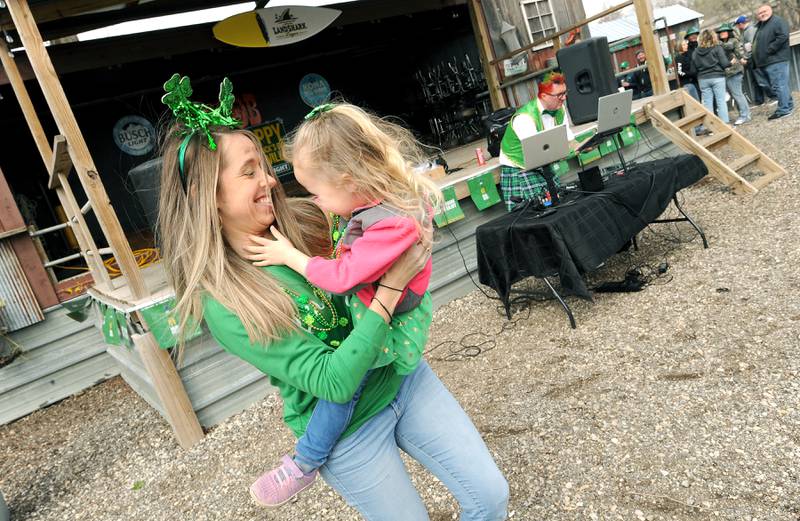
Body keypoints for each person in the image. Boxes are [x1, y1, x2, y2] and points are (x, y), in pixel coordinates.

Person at [157, 76, 509, 519]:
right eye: (249, 171)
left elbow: (379, 206)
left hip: (403, 377)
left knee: (490, 496)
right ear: (206, 196)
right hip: (348, 431)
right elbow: (334, 382)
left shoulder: (308, 220)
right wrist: (393, 289)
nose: (269, 179)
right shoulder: (227, 302)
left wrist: (412, 222)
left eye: (263, 165)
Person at [242, 102, 440, 505]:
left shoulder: (391, 223)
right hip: (379, 306)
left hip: (390, 321)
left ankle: (304, 462)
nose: (314, 200)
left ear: (349, 181)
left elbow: (343, 278)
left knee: (345, 387)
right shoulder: (376, 203)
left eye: (317, 192)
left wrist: (291, 258)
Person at [499, 70, 573, 211]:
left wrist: (585, 145)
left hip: (542, 165)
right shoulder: (525, 118)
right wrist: (569, 151)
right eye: (559, 95)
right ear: (544, 96)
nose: (564, 98)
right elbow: (538, 154)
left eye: (565, 92)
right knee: (531, 214)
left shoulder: (560, 109)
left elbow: (568, 140)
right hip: (520, 171)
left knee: (558, 207)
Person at [753, 4, 794, 119]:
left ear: (770, 10)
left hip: (777, 59)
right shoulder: (762, 25)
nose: (762, 14)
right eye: (759, 13)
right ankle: (788, 105)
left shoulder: (777, 21)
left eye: (764, 11)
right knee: (780, 85)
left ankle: (784, 110)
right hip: (769, 61)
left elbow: (783, 36)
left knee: (779, 86)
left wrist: (769, 49)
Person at [692, 29, 731, 125]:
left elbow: (693, 70)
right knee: (721, 101)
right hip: (717, 77)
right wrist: (731, 63)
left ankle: (711, 127)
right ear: (713, 37)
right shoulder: (717, 48)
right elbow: (725, 64)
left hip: (703, 79)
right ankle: (725, 124)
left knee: (707, 103)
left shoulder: (695, 52)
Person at [735, 14, 773, 106]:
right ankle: (760, 100)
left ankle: (773, 97)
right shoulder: (746, 31)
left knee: (761, 79)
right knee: (755, 80)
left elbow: (751, 46)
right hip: (752, 58)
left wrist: (745, 57)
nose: (737, 27)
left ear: (740, 24)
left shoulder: (750, 30)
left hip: (754, 58)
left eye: (737, 25)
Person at [716, 23, 751, 125]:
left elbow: (729, 46)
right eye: (720, 32)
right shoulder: (721, 43)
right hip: (727, 73)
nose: (722, 33)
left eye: (724, 31)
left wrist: (716, 43)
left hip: (735, 72)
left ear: (728, 32)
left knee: (737, 94)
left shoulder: (732, 41)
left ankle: (745, 115)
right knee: (735, 94)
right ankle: (744, 114)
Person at [677, 27, 701, 101]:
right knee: (697, 99)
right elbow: (680, 72)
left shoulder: (701, 45)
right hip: (690, 81)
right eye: (683, 45)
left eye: (685, 45)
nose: (686, 46)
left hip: (701, 77)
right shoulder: (679, 57)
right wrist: (692, 73)